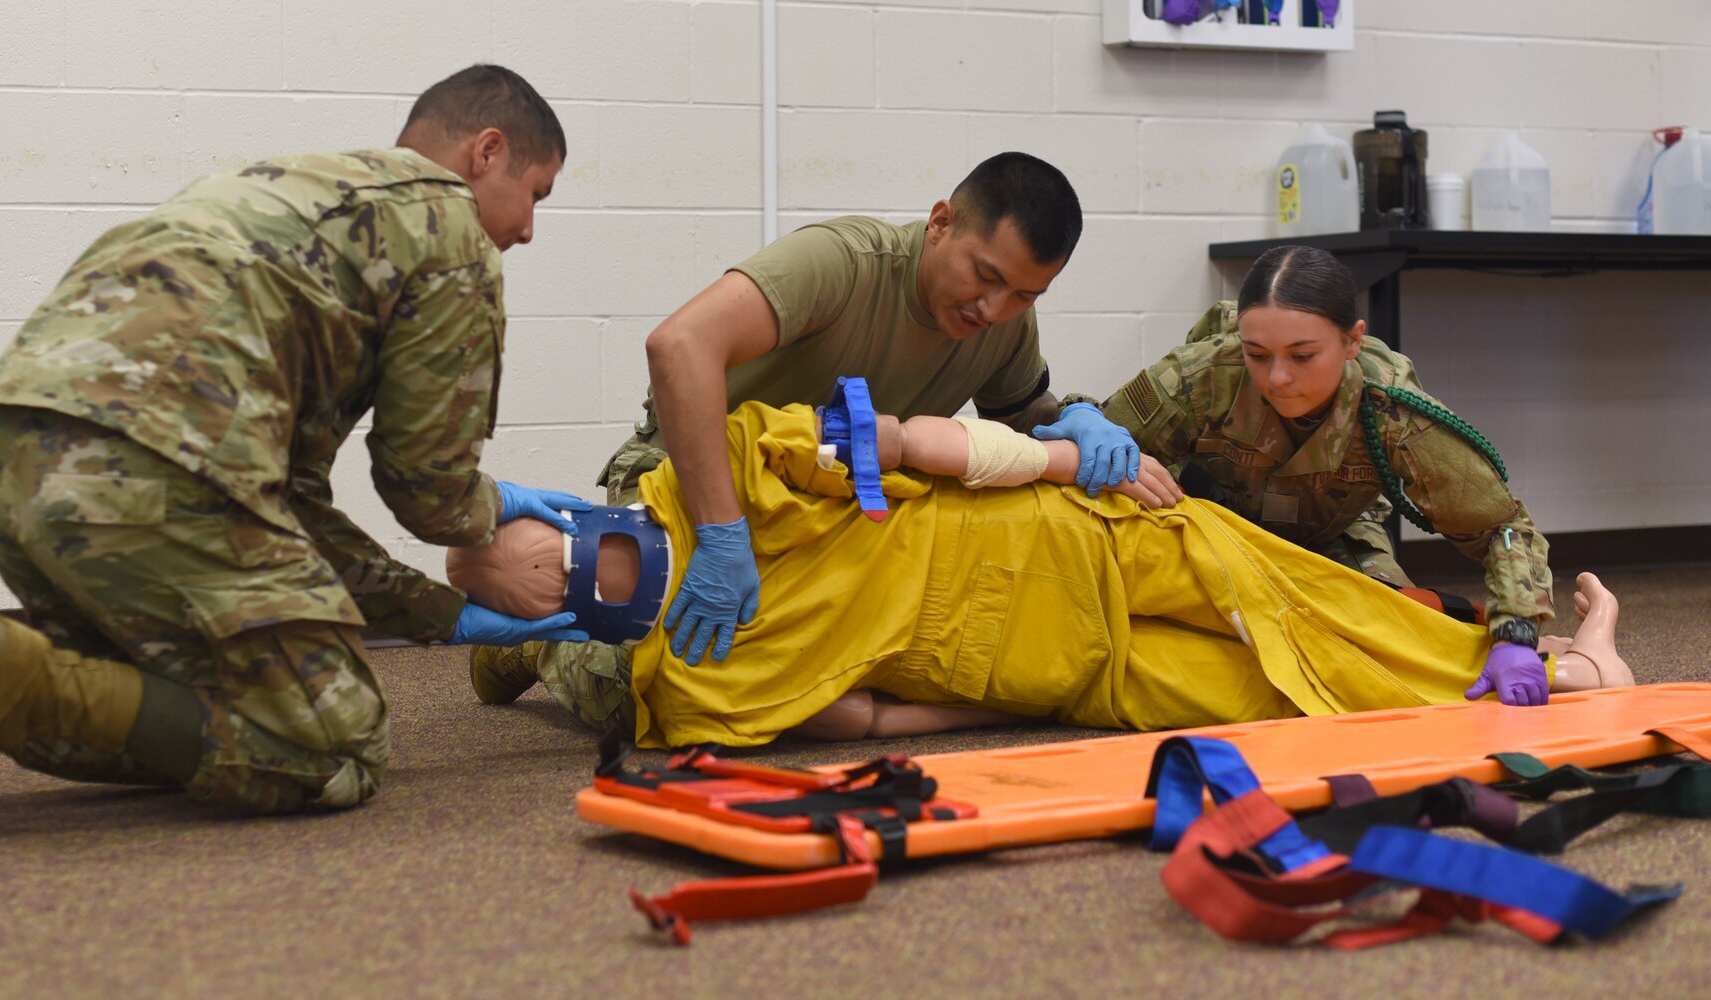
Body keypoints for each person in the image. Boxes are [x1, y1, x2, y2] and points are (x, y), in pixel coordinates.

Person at [0, 64, 589, 831]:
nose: (528, 230)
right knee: (332, 741)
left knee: (140, 687)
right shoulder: (450, 230)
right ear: (486, 152)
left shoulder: (288, 184)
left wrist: (437, 618)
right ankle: (20, 682)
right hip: (159, 477)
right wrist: (493, 510)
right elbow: (426, 489)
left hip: (18, 459)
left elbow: (288, 508)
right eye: (536, 195)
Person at [450, 399, 1630, 749]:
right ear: (570, 620)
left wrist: (1077, 458)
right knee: (1277, 700)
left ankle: (1566, 661)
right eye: (572, 584)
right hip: (1068, 668)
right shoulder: (682, 682)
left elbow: (914, 441)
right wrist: (1006, 707)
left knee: (1303, 606)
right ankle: (1577, 673)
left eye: (579, 547)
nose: (604, 573)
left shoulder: (723, 479)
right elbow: (860, 714)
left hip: (1077, 539)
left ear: (589, 511)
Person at [475, 152, 1178, 726]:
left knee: (858, 670)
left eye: (1025, 295)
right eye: (986, 276)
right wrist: (722, 533)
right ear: (941, 222)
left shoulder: (1002, 326)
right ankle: (541, 641)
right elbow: (678, 346)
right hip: (700, 478)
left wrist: (1083, 420)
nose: (993, 308)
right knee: (670, 690)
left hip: (830, 518)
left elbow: (1025, 418)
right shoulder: (842, 262)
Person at [1097, 245, 1557, 713]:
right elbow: (1101, 446)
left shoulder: (1394, 410)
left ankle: (1561, 652)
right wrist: (1087, 431)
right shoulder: (1201, 375)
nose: (1278, 377)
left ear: (1352, 341)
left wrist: (1516, 634)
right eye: (1257, 354)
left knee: (1390, 643)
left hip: (1332, 534)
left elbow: (1501, 527)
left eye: (1303, 356)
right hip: (1212, 530)